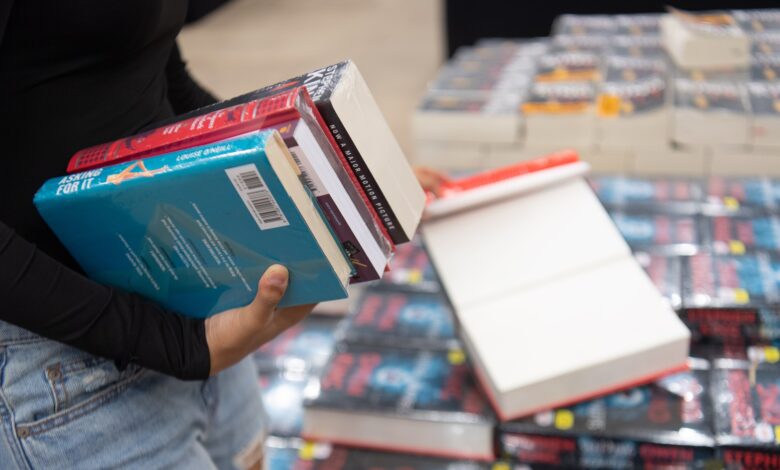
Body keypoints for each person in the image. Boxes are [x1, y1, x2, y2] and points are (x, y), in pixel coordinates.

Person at [0, 2, 446, 468]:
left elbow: (150, 69)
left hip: (187, 282)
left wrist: (332, 177)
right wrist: (175, 343)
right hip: (64, 349)